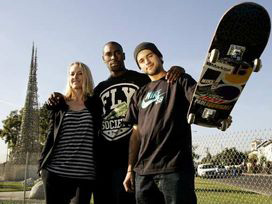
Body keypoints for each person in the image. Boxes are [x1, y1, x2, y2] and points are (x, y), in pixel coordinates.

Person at [47, 41, 185, 204]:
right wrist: (57, 98)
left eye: (117, 52)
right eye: (108, 54)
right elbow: (77, 102)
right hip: (104, 161)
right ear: (103, 59)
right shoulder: (98, 90)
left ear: (124, 55)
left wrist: (179, 70)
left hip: (134, 159)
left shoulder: (141, 79)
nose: (113, 56)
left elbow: (160, 77)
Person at [123, 42, 232, 204]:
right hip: (144, 172)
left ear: (160, 57)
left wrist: (219, 114)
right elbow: (135, 134)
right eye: (141, 60)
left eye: (150, 56)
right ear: (140, 68)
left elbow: (201, 104)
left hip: (175, 169)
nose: (146, 61)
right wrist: (130, 169)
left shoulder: (179, 80)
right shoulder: (139, 94)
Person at [38, 62, 101, 204]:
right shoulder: (60, 104)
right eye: (72, 74)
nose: (75, 77)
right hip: (55, 172)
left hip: (84, 174)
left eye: (80, 73)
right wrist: (41, 165)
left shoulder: (95, 103)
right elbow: (50, 135)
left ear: (87, 77)